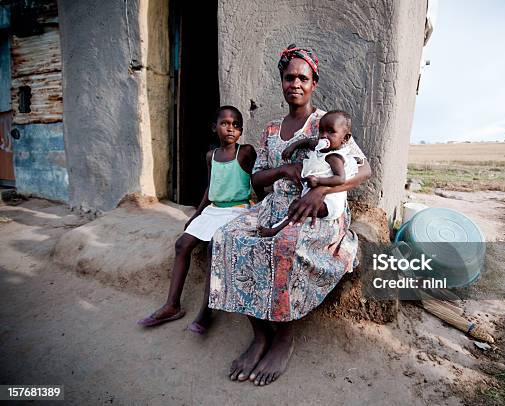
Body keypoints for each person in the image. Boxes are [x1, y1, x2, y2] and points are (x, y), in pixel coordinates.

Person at [208, 45, 372, 386]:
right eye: (288, 77)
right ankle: (260, 333)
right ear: (281, 82)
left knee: (284, 245)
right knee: (226, 237)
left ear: (314, 82)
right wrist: (284, 169)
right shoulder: (271, 129)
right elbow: (257, 179)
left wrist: (321, 189)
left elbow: (364, 169)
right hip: (275, 204)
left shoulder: (327, 122)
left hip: (318, 211)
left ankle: (283, 336)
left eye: (302, 77)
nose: (295, 83)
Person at [137, 106, 256, 334]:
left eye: (236, 125)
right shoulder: (211, 156)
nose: (230, 128)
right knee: (182, 244)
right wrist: (196, 215)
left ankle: (207, 309)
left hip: (237, 210)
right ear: (214, 128)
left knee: (214, 247)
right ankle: (172, 305)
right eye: (225, 123)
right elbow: (211, 187)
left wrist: (259, 211)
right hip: (213, 210)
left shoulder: (245, 152)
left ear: (241, 130)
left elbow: (257, 179)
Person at [257, 110, 358, 237]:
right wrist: (293, 147)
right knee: (296, 208)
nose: (324, 136)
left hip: (328, 203)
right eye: (321, 131)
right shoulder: (320, 147)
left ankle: (275, 231)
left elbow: (340, 179)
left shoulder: (334, 157)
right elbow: (306, 142)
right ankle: (279, 228)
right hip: (311, 195)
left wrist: (318, 182)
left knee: (297, 210)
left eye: (331, 132)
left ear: (345, 138)